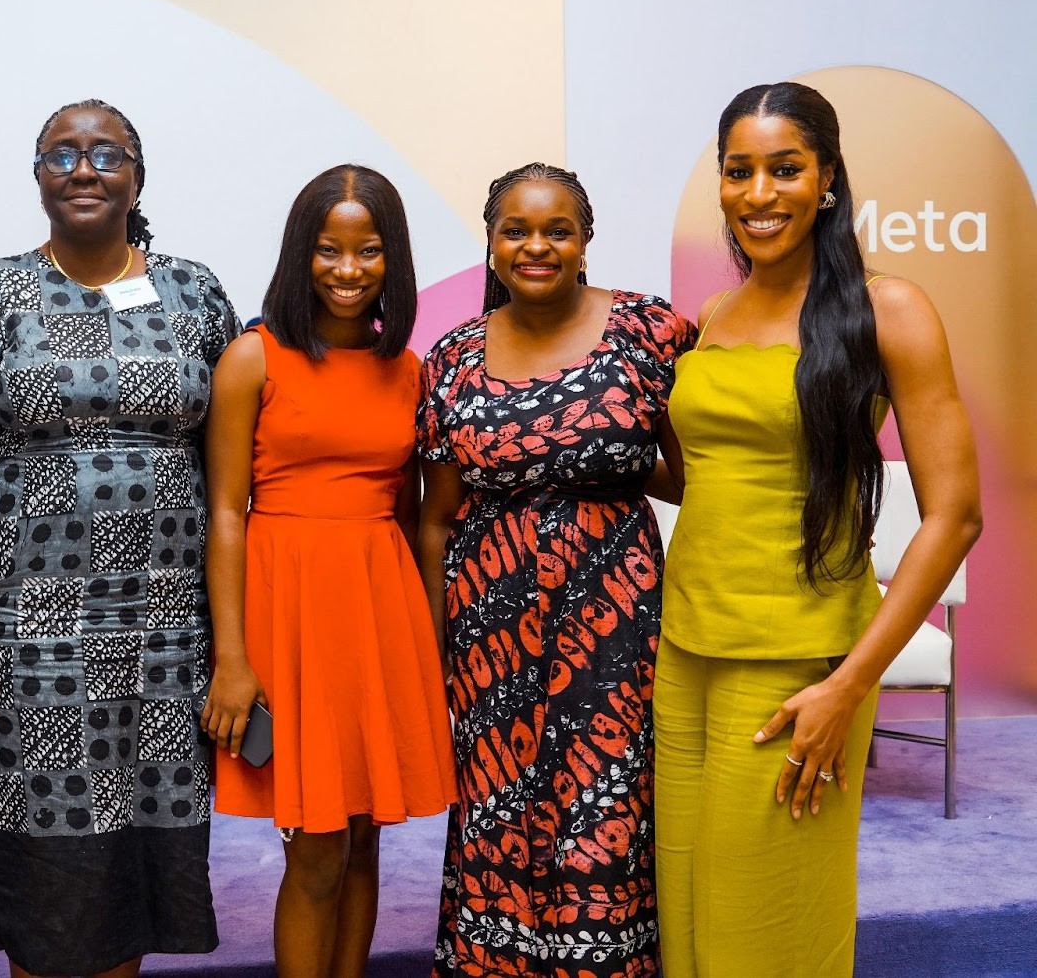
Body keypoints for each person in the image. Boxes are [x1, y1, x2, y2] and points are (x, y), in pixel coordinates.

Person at [653, 82, 981, 978]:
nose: (759, 193)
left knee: (769, 931)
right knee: (685, 915)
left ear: (827, 178)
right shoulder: (711, 317)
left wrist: (849, 685)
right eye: (739, 171)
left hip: (802, 664)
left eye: (784, 169)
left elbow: (955, 518)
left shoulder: (892, 310)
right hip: (682, 653)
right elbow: (701, 475)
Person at [0, 99, 237, 977]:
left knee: (135, 861)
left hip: (166, 620)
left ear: (138, 175)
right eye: (60, 154)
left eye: (107, 153)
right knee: (51, 855)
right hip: (32, 618)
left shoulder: (197, 290)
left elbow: (229, 472)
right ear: (36, 177)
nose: (84, 169)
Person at [418, 164, 693, 977]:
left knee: (602, 804)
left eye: (557, 230)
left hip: (615, 613)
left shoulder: (650, 331)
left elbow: (692, 476)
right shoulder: (453, 356)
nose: (536, 246)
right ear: (493, 241)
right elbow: (434, 518)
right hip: (486, 625)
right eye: (516, 230)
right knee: (494, 808)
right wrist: (432, 651)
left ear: (585, 240)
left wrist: (589, 460)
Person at [202, 164, 457, 978]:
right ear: (298, 255)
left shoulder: (409, 369)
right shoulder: (253, 359)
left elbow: (417, 515)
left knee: (365, 840)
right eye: (328, 250)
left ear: (395, 260)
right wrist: (233, 660)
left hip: (379, 611)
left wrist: (431, 634)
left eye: (369, 250)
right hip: (291, 609)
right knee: (315, 849)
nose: (348, 270)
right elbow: (224, 515)